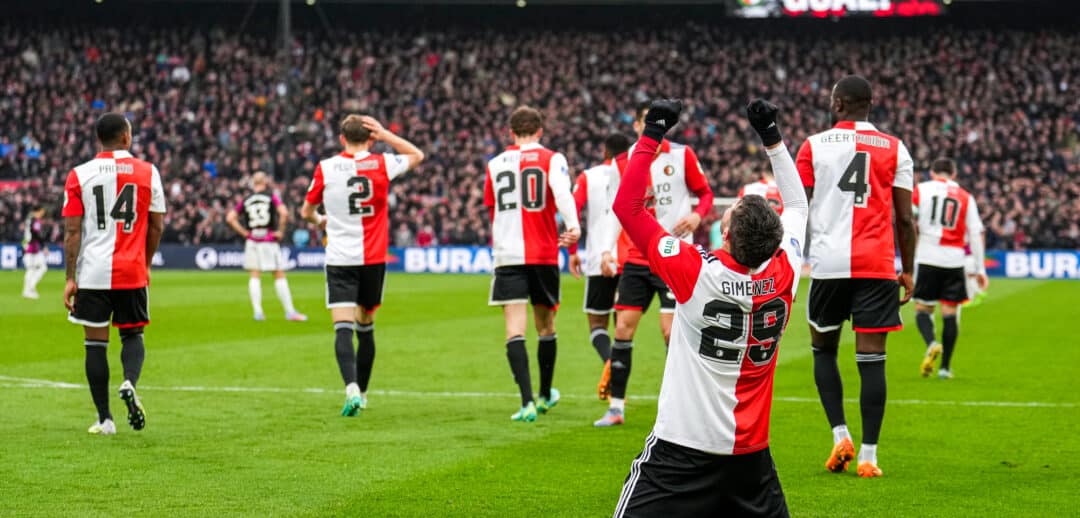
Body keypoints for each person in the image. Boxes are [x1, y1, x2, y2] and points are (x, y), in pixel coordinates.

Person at [613, 98, 806, 518]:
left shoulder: (695, 271)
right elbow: (798, 207)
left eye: (728, 213)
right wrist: (771, 136)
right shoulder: (785, 273)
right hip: (749, 458)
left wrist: (651, 133)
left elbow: (626, 207)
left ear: (729, 233)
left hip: (680, 452)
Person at [795, 75, 917, 478]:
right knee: (872, 361)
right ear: (870, 104)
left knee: (823, 351)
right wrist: (909, 269)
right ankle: (868, 456)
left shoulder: (813, 145)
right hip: (877, 267)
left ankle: (839, 434)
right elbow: (904, 218)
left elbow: (797, 207)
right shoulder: (896, 148)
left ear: (838, 104)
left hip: (828, 266)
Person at [596, 102, 715, 427]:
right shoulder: (623, 163)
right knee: (622, 328)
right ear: (637, 125)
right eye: (646, 122)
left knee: (670, 331)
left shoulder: (682, 155)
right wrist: (606, 250)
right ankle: (616, 407)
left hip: (675, 255)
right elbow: (614, 210)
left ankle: (681, 406)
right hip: (637, 257)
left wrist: (696, 215)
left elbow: (705, 193)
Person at [300, 114, 425, 416]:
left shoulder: (326, 168)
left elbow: (306, 212)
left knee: (342, 328)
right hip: (372, 259)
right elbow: (417, 155)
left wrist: (320, 220)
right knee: (365, 326)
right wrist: (385, 134)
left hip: (340, 258)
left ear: (342, 139)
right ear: (370, 138)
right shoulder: (382, 163)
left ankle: (351, 387)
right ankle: (364, 393)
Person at [61, 112, 166, 435]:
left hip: (93, 272)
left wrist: (70, 277)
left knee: (95, 344)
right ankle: (129, 382)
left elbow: (71, 231)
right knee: (132, 334)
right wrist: (145, 262)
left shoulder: (78, 174)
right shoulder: (149, 172)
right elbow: (157, 224)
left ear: (99, 139)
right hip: (131, 271)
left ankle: (104, 419)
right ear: (126, 137)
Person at [484, 106, 580, 423]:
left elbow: (491, 208)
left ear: (511, 133)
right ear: (540, 131)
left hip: (507, 255)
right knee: (546, 326)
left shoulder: (495, 164)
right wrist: (573, 225)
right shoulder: (553, 158)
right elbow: (563, 194)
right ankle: (543, 396)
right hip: (542, 254)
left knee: (514, 330)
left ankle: (525, 402)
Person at [911, 158, 988, 379]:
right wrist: (980, 269)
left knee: (923, 309)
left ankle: (932, 343)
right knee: (950, 314)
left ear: (932, 173)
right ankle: (945, 368)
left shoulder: (921, 190)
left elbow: (907, 218)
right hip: (954, 261)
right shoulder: (965, 197)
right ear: (953, 174)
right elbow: (975, 233)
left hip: (926, 256)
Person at [567, 133, 630, 400]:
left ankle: (608, 361)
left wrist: (572, 252)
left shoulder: (587, 177)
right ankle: (618, 385)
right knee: (624, 328)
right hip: (628, 258)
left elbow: (573, 210)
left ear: (604, 151)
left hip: (597, 258)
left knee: (596, 323)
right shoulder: (635, 173)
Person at [226, 171, 307, 322]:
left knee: (254, 275)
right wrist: (280, 232)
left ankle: (258, 312)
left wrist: (244, 233)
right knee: (278, 273)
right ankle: (290, 311)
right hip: (268, 239)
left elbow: (230, 218)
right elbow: (284, 213)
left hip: (252, 239)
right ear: (265, 182)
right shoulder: (271, 197)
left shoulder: (246, 200)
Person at [21, 206, 48, 299]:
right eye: (42, 212)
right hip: (31, 248)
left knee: (36, 268)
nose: (42, 215)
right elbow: (35, 234)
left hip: (29, 247)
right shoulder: (35, 220)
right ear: (38, 211)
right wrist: (43, 246)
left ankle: (28, 290)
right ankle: (29, 289)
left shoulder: (29, 219)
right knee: (34, 269)